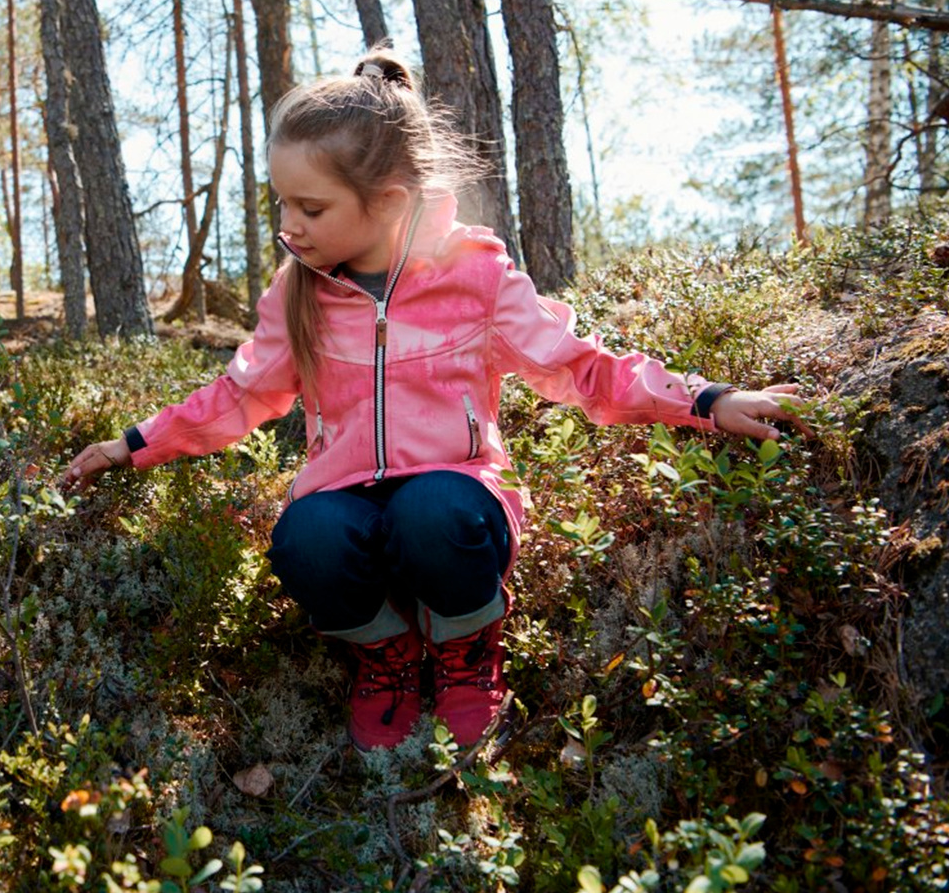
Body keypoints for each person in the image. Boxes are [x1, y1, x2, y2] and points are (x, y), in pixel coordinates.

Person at [62, 49, 807, 753]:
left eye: (311, 208)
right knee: (304, 540)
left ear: (385, 201)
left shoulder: (475, 278)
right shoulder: (297, 293)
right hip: (347, 500)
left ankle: (464, 647)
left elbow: (581, 369)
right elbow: (238, 394)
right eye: (281, 203)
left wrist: (706, 400)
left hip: (457, 500)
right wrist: (130, 444)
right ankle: (387, 653)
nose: (289, 227)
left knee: (434, 513)